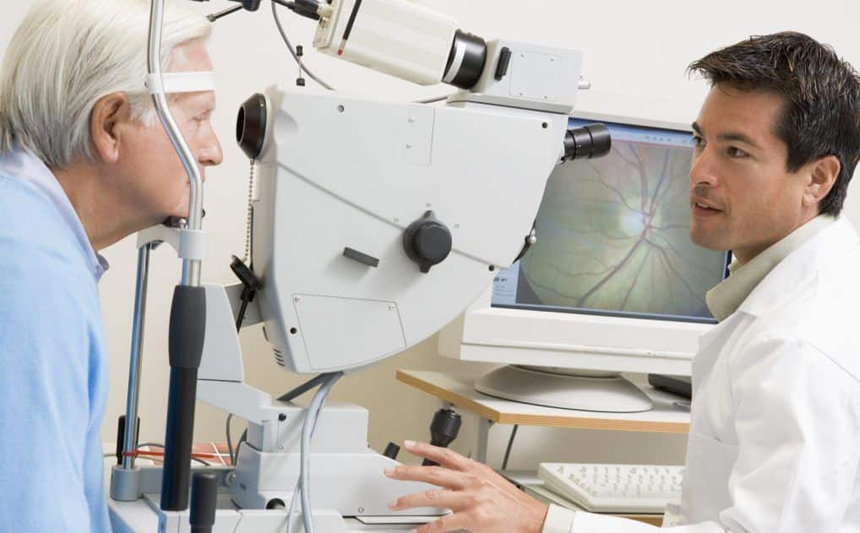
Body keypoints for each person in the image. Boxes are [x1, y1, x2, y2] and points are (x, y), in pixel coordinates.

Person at [386, 32, 860, 533]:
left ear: (817, 179)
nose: (699, 171)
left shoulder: (800, 343)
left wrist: (542, 522)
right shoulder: (799, 291)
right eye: (701, 141)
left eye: (736, 152)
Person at [0, 0, 222, 530]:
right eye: (198, 119)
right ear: (111, 124)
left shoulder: (31, 232)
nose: (212, 152)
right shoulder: (29, 271)